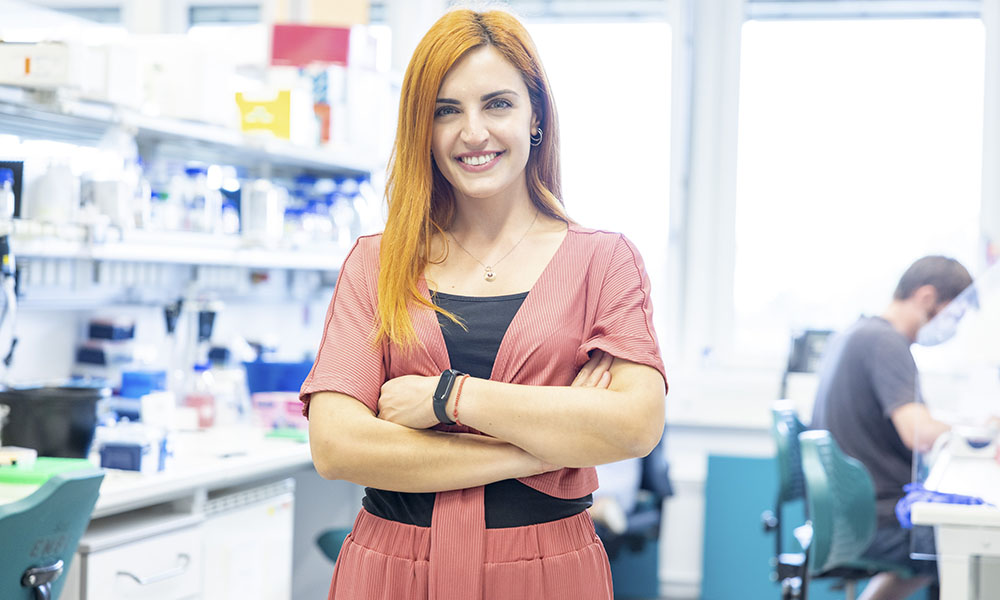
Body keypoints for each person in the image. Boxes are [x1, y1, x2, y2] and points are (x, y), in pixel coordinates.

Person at [299, 8, 668, 600]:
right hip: (392, 570)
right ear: (423, 128)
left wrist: (448, 397)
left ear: (535, 116)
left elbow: (634, 425)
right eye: (447, 110)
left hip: (548, 572)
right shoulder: (375, 263)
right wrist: (543, 446)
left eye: (497, 104)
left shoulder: (604, 261)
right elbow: (337, 446)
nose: (473, 132)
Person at [811, 255, 974, 600]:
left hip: (853, 515)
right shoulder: (885, 342)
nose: (953, 328)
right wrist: (978, 433)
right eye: (954, 315)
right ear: (927, 298)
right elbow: (917, 431)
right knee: (970, 541)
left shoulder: (857, 332)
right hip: (877, 520)